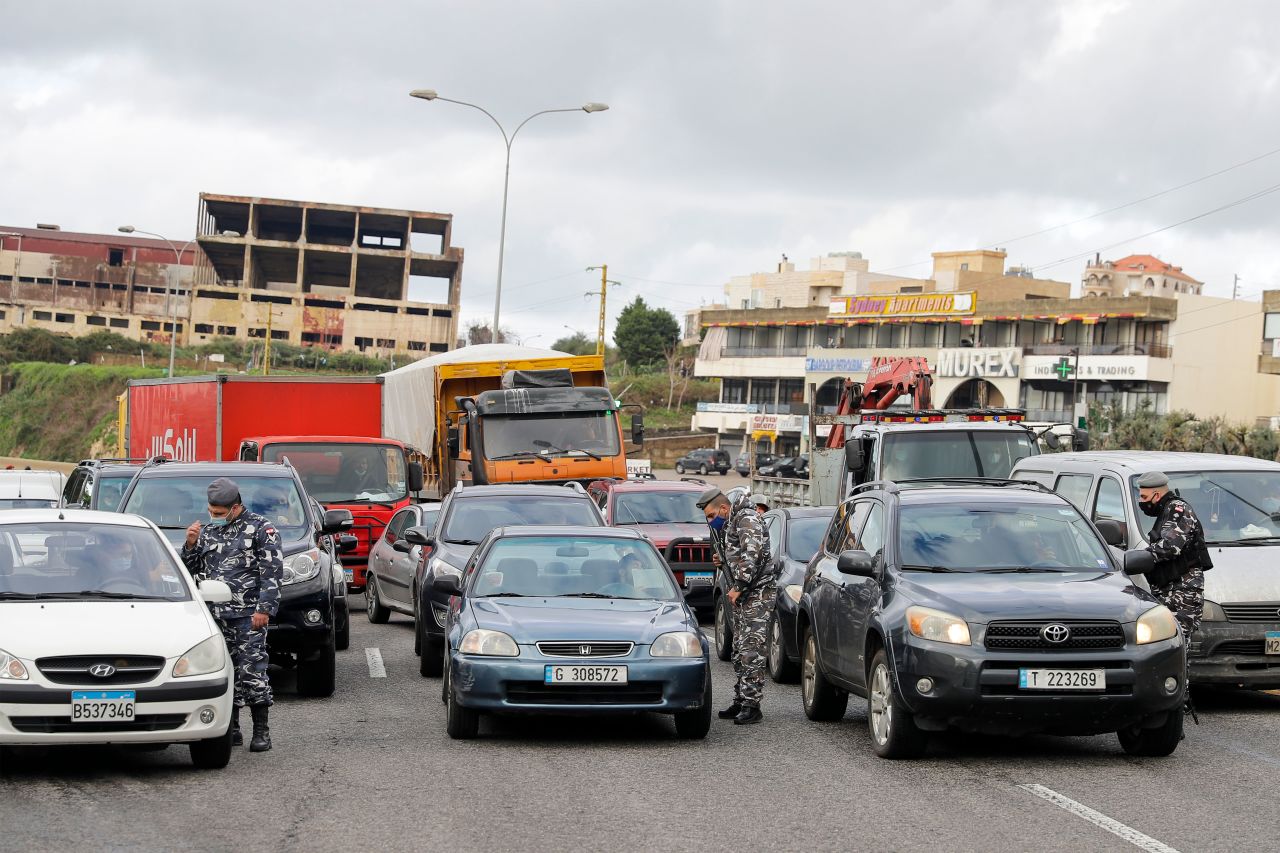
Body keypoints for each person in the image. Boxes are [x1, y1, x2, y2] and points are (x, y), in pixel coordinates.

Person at [182, 477, 284, 752]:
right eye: (210, 512)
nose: (213, 517)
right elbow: (190, 571)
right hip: (214, 616)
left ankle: (261, 731)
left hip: (248, 614)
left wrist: (264, 609)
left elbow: (272, 573)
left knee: (252, 670)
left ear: (235, 507)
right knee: (225, 672)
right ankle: (233, 728)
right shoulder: (205, 531)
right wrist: (190, 545)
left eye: (219, 513)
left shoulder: (262, 529)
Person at [1135, 470, 1212, 721]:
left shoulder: (1178, 510)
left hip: (1182, 592)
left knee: (1176, 649)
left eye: (1144, 496)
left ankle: (1176, 710)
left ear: (1157, 494)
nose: (1142, 500)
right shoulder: (1166, 511)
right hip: (1168, 590)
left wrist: (1138, 558)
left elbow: (1169, 546)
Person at [698, 486, 774, 725]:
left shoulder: (746, 517)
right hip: (744, 594)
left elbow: (752, 554)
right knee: (739, 649)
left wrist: (738, 585)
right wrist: (723, 561)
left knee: (752, 649)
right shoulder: (733, 521)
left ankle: (752, 705)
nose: (711, 521)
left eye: (712, 516)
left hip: (756, 592)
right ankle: (741, 699)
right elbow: (738, 554)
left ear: (723, 508)